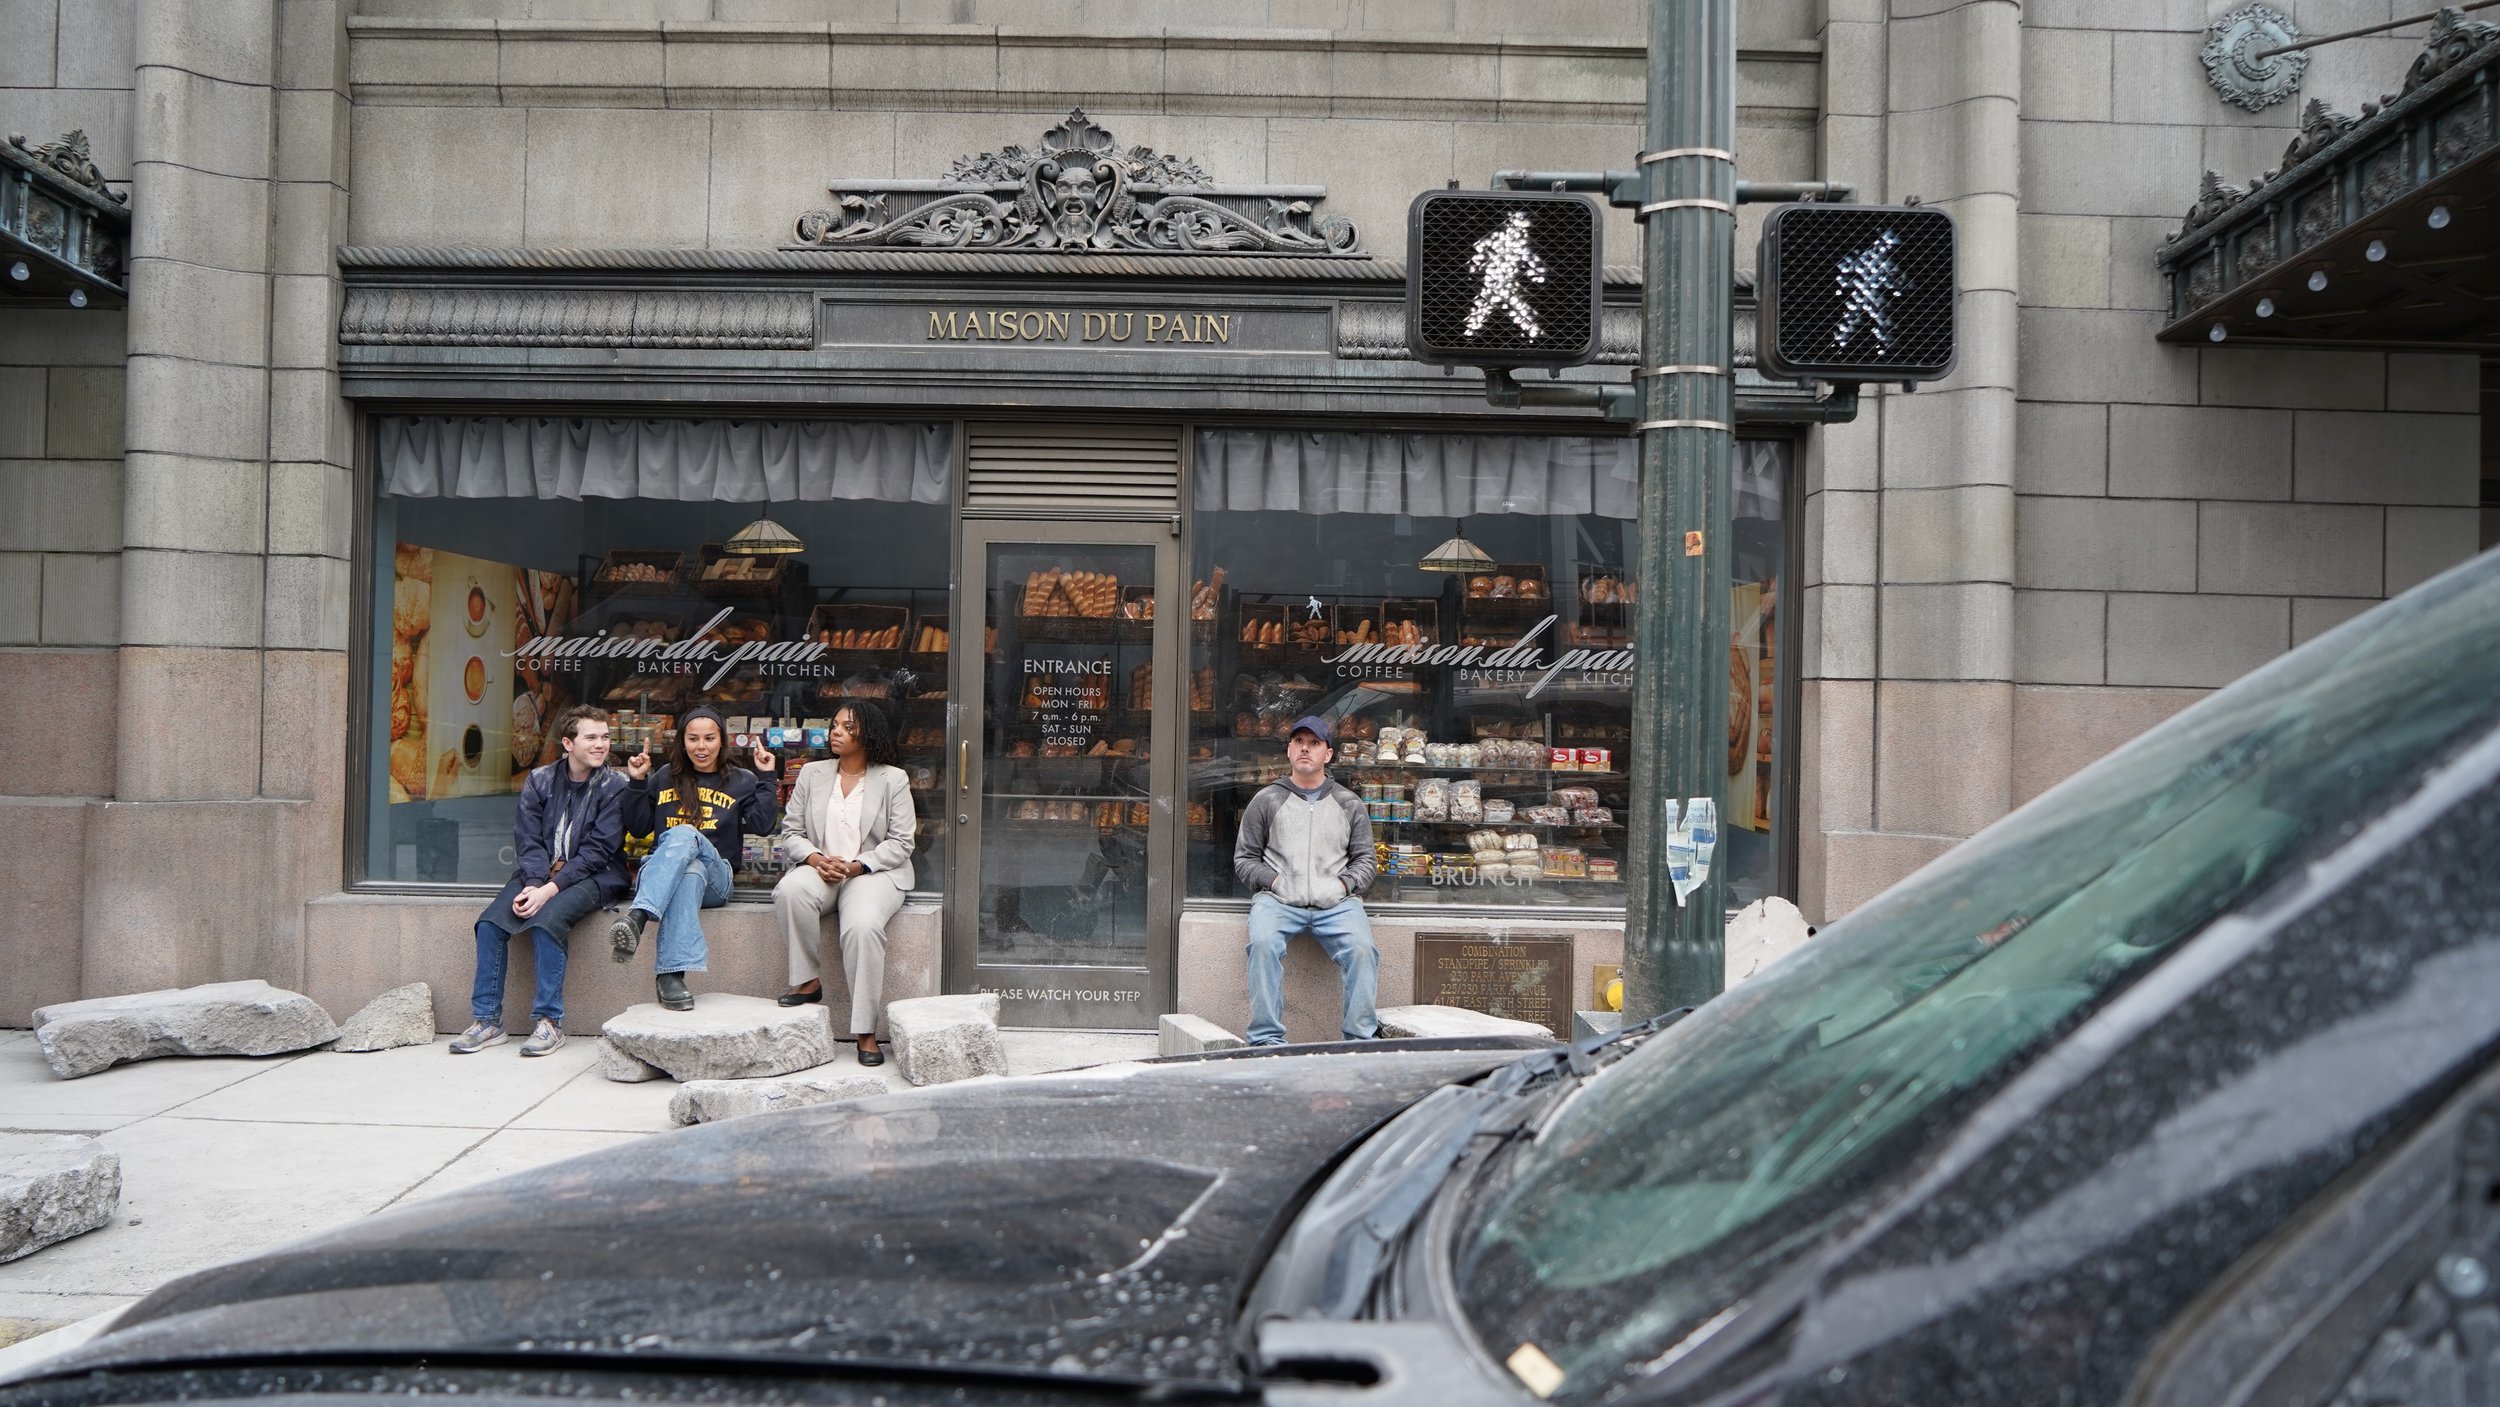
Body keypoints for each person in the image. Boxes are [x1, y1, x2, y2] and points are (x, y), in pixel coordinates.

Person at [452, 704, 630, 1056]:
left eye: (605, 737)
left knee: (546, 923)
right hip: (540, 873)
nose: (601, 745)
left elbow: (598, 851)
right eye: (591, 737)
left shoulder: (616, 785)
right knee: (490, 924)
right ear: (568, 743)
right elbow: (528, 838)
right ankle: (487, 1021)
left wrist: (549, 890)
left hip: (596, 876)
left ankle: (549, 1022)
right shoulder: (540, 779)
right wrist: (533, 883)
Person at [773, 702, 916, 1067]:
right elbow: (791, 832)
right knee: (791, 891)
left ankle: (865, 1031)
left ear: (867, 733)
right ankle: (806, 982)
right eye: (834, 725)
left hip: (873, 873)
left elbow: (901, 842)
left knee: (863, 927)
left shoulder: (893, 779)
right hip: (822, 867)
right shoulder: (811, 773)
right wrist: (817, 860)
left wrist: (856, 866)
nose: (835, 731)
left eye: (846, 727)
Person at [614, 706, 778, 1011]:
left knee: (685, 834)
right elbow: (637, 827)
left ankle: (639, 916)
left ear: (722, 741)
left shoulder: (741, 780)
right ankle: (671, 977)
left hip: (716, 881)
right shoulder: (664, 777)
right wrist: (637, 781)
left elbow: (762, 826)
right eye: (693, 739)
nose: (701, 747)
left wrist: (767, 777)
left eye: (709, 738)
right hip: (669, 875)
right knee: (690, 870)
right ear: (682, 742)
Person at [1233, 714, 1380, 1046]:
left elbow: (1366, 861)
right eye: (1299, 742)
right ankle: (1266, 1041)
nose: (1305, 749)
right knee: (1263, 944)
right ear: (1288, 750)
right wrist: (1274, 882)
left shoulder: (1348, 802)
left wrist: (1342, 885)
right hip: (1279, 901)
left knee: (1362, 950)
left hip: (1337, 904)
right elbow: (1244, 859)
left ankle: (1359, 1042)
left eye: (1315, 743)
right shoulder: (1267, 799)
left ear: (1327, 754)